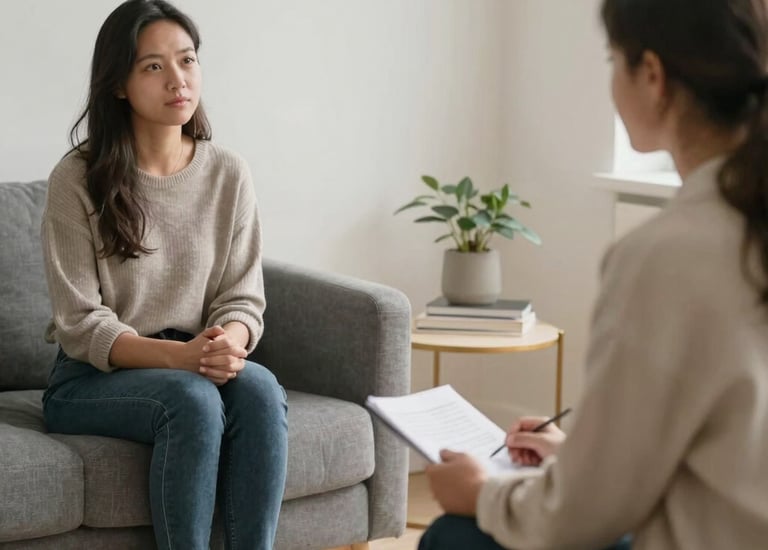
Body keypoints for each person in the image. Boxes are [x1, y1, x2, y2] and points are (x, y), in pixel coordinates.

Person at [419, 0, 768, 548]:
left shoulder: (667, 256)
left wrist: (481, 491)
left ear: (652, 75)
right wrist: (580, 454)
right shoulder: (738, 225)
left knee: (455, 535)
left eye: (612, 60)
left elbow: (581, 517)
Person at [40, 1, 288, 549]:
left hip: (193, 358)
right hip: (90, 378)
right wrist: (184, 358)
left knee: (261, 389)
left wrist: (229, 343)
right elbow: (81, 324)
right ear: (120, 84)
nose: (178, 79)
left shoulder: (228, 173)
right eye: (153, 66)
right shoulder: (77, 179)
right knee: (192, 398)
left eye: (187, 60)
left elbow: (242, 296)